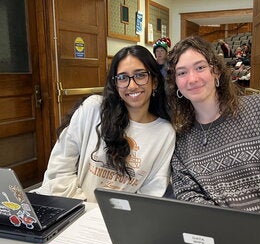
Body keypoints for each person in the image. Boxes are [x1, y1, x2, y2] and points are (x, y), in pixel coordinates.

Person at [166, 36, 260, 219]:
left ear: (216, 72)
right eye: (182, 72)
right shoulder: (181, 139)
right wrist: (230, 232)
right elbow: (189, 198)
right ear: (176, 84)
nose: (192, 79)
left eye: (200, 67)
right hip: (221, 238)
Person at [36, 45, 176, 203]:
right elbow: (60, 168)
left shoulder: (165, 132)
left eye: (140, 75)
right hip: (75, 210)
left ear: (155, 81)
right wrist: (83, 209)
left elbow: (152, 191)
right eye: (123, 78)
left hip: (123, 220)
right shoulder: (93, 109)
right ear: (115, 85)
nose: (132, 85)